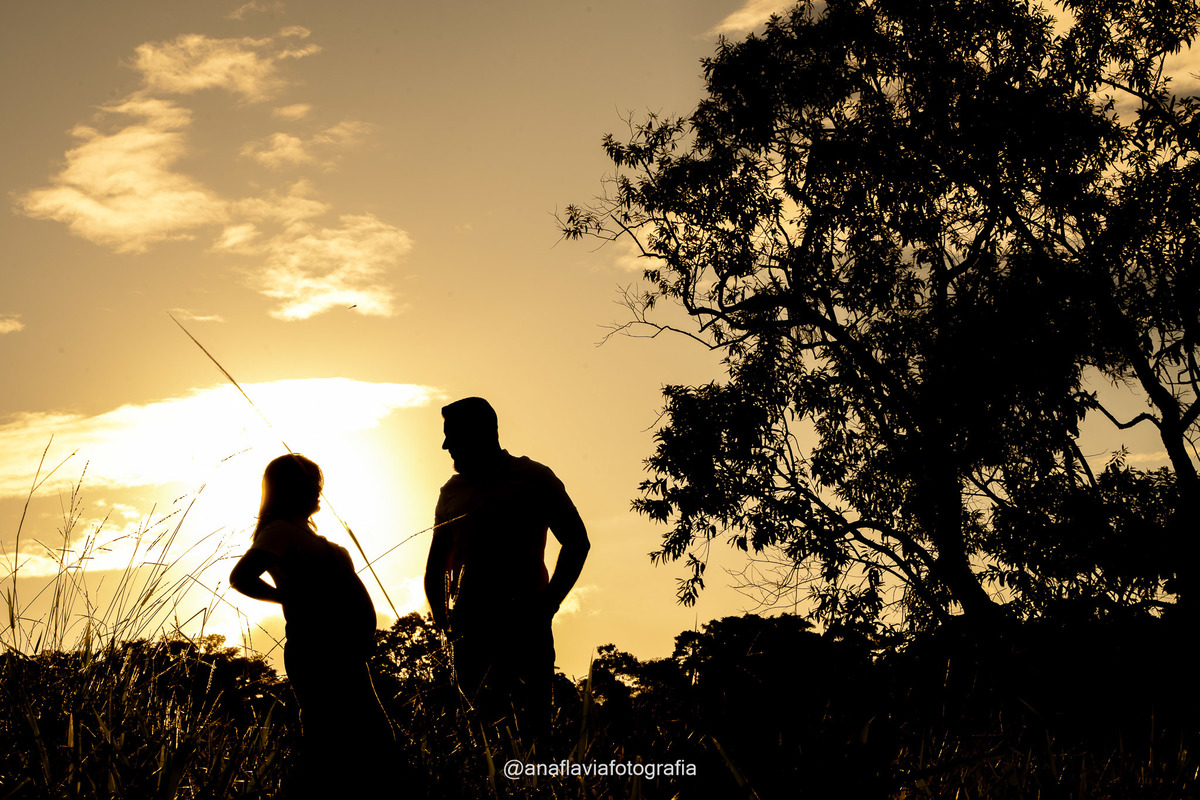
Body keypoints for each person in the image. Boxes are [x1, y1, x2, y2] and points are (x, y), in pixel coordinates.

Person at [424, 397, 590, 743]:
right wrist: (445, 625)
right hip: (470, 633)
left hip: (525, 628)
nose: (445, 444)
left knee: (532, 733)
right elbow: (436, 565)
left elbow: (577, 541)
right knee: (481, 737)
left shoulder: (533, 478)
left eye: (451, 435)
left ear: (479, 433)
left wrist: (549, 602)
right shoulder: (451, 492)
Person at [230, 453, 393, 798]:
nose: (319, 491)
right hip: (317, 650)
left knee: (369, 738)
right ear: (291, 490)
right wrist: (288, 598)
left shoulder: (306, 535)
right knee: (334, 737)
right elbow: (241, 577)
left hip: (347, 652)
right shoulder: (279, 532)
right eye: (311, 485)